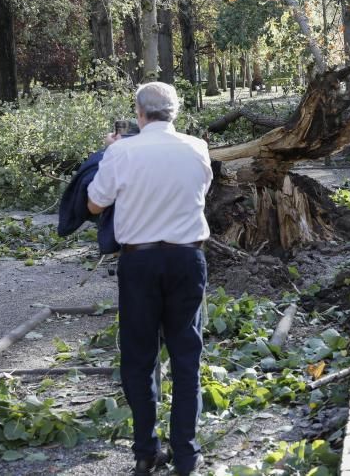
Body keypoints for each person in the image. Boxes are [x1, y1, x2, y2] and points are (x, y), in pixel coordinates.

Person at [87, 82, 213, 476]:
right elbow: (199, 192)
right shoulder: (197, 148)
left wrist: (109, 152)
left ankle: (145, 451)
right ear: (175, 113)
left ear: (139, 114)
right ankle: (187, 455)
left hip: (138, 262)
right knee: (186, 357)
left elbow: (94, 204)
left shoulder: (121, 151)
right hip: (187, 258)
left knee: (139, 358)